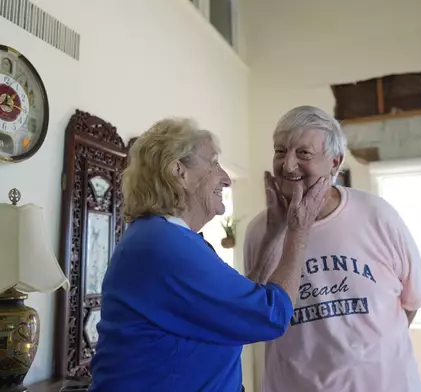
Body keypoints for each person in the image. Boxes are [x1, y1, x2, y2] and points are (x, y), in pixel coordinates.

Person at [88, 117, 329, 392]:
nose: (225, 178)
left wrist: (275, 232)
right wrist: (299, 231)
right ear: (180, 171)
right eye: (213, 162)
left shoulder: (160, 238)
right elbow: (269, 315)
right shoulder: (165, 247)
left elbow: (236, 309)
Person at [244, 106, 421, 392]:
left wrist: (368, 358)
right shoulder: (260, 232)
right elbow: (251, 316)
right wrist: (276, 235)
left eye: (303, 153)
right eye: (281, 151)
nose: (288, 165)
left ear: (335, 162)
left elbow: (411, 302)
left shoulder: (377, 215)